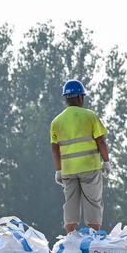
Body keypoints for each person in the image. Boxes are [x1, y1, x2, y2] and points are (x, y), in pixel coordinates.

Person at [50, 79, 111, 233]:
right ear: (81, 97)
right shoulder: (90, 116)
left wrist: (58, 170)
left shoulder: (56, 122)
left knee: (70, 203)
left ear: (66, 98)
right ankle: (94, 237)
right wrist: (107, 161)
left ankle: (70, 236)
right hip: (90, 168)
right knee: (93, 202)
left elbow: (55, 149)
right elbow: (100, 141)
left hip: (68, 171)